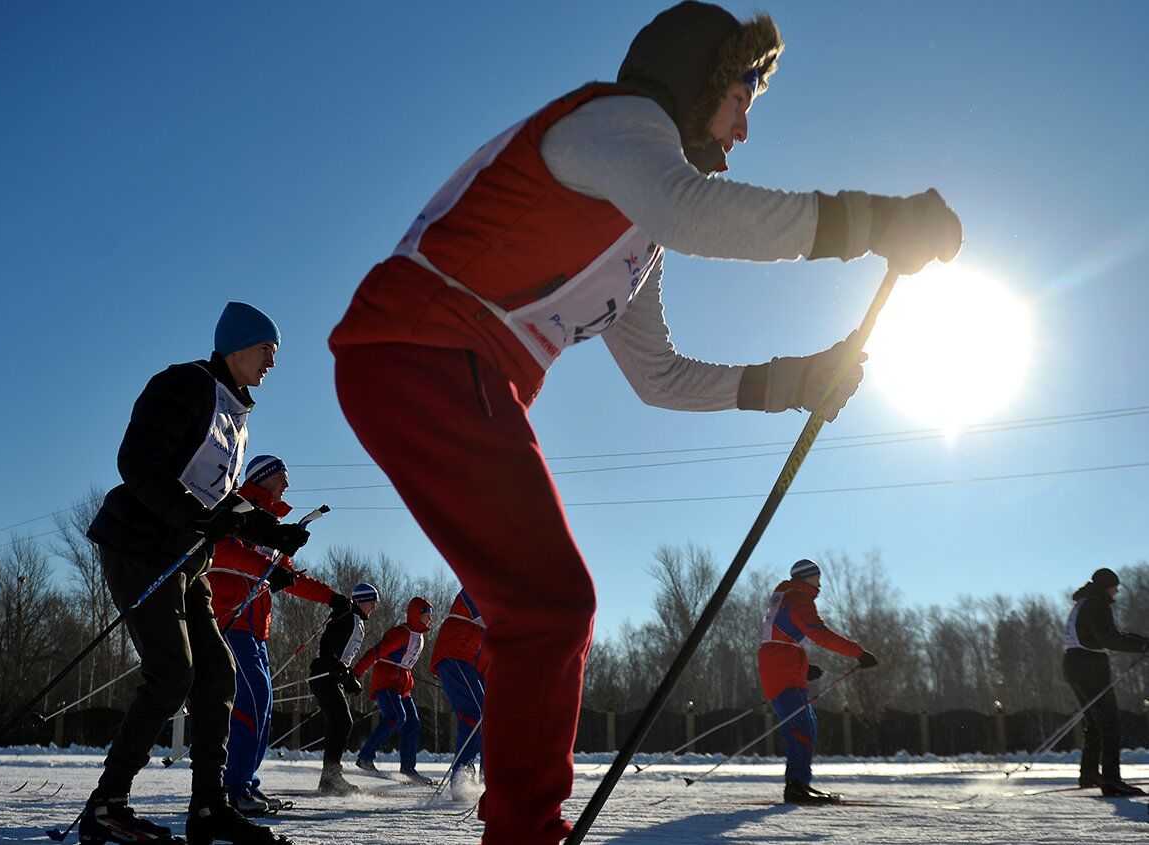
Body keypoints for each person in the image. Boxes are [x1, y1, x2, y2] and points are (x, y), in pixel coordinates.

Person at [326, 1, 963, 839]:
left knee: (546, 605)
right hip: (426, 348)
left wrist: (792, 382)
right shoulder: (614, 122)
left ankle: (523, 825)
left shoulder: (636, 232)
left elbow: (657, 376)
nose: (741, 133)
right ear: (703, 79)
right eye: (742, 100)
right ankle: (525, 830)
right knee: (550, 604)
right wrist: (876, 220)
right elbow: (696, 212)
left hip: (452, 369)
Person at [80, 302, 309, 845]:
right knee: (172, 670)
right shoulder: (183, 384)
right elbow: (137, 462)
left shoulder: (236, 413)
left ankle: (209, 807)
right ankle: (106, 806)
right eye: (265, 351)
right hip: (140, 545)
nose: (272, 363)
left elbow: (222, 497)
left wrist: (270, 532)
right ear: (235, 346)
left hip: (186, 558)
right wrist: (193, 517)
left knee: (216, 672)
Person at [206, 454, 347, 816]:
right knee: (250, 704)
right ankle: (233, 789)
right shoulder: (236, 509)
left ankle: (244, 785)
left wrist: (333, 598)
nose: (287, 484)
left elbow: (289, 576)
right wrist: (269, 572)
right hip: (230, 620)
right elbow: (221, 550)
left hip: (256, 629)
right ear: (263, 478)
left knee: (264, 707)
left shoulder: (272, 528)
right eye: (281, 477)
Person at [757, 558, 874, 804]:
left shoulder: (786, 595)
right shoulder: (798, 598)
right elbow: (819, 633)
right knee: (801, 727)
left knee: (806, 723)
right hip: (782, 666)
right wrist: (858, 653)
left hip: (781, 664)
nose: (820, 582)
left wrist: (803, 667)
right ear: (807, 577)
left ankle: (799, 784)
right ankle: (796, 787)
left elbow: (778, 636)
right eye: (817, 577)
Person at [1063, 567, 1149, 796]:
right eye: (1114, 586)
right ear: (1105, 586)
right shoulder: (1096, 604)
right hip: (1089, 668)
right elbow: (1109, 638)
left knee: (1094, 725)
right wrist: (1141, 646)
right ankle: (1112, 781)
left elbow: (1110, 635)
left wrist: (1141, 641)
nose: (1117, 590)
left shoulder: (1084, 602)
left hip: (1075, 665)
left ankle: (1090, 773)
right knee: (1110, 724)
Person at [307, 582, 379, 796]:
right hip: (324, 674)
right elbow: (327, 647)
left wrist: (348, 678)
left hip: (332, 676)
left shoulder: (357, 621)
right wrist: (340, 670)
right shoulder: (347, 617)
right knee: (341, 721)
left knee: (339, 722)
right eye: (372, 601)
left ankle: (329, 778)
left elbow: (342, 657)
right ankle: (330, 778)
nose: (374, 606)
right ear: (362, 601)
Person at [352, 596, 434, 784]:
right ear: (416, 614)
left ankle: (408, 769)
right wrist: (355, 673)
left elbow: (406, 662)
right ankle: (365, 757)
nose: (430, 618)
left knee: (413, 723)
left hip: (403, 686)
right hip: (386, 682)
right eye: (427, 614)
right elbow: (375, 652)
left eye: (430, 614)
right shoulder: (400, 633)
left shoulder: (419, 637)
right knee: (397, 717)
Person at [429, 589, 486, 795]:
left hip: (473, 663)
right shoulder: (478, 583)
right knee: (474, 713)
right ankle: (460, 777)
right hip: (456, 653)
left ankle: (486, 778)